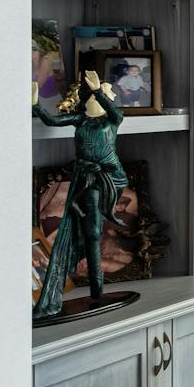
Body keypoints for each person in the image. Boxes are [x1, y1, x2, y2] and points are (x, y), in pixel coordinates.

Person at [31, 70, 127, 318]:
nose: (113, 95)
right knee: (90, 231)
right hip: (85, 178)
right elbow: (52, 122)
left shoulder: (111, 120)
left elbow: (116, 112)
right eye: (109, 91)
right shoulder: (81, 120)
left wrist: (98, 90)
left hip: (108, 177)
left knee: (95, 231)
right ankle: (94, 288)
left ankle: (98, 288)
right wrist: (35, 105)